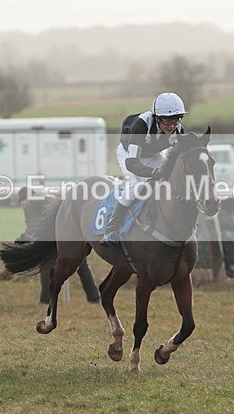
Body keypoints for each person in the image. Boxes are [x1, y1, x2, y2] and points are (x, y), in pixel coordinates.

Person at [100, 92, 187, 246]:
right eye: (168, 123)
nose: (172, 127)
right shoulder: (141, 125)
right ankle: (110, 229)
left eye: (175, 121)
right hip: (129, 154)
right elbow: (132, 163)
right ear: (157, 118)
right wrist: (153, 173)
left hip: (153, 154)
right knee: (137, 186)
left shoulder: (179, 130)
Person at [15, 187, 100, 304]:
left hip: (54, 236)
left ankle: (45, 300)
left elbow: (33, 226)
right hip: (71, 232)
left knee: (45, 266)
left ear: (22, 200)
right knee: (81, 264)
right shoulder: (49, 198)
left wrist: (23, 239)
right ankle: (94, 297)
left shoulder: (29, 203)